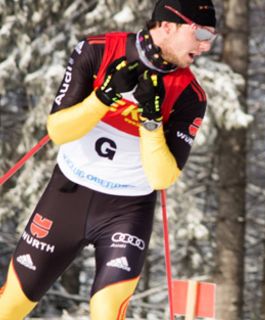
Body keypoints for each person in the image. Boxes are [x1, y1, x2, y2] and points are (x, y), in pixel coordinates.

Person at [0, 0, 216, 318]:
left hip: (126, 211)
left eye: (211, 35)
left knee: (107, 310)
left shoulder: (189, 95)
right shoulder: (98, 50)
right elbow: (58, 131)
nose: (206, 45)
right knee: (12, 305)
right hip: (66, 198)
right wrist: (103, 98)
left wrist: (152, 121)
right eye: (199, 32)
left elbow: (161, 178)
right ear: (168, 25)